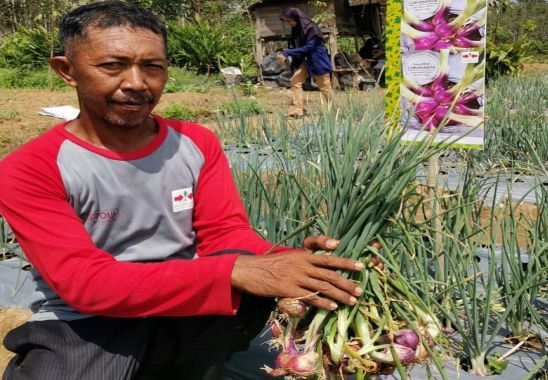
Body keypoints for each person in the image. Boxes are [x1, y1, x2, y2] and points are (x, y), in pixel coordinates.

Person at [0, 2, 364, 380]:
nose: (137, 83)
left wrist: (294, 263)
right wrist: (233, 271)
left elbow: (226, 234)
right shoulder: (32, 168)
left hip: (187, 302)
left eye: (153, 67)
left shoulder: (194, 142)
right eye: (113, 66)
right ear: (67, 71)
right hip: (89, 321)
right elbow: (85, 284)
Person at [278, 7, 334, 118]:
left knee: (324, 86)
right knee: (295, 81)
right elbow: (298, 46)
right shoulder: (297, 28)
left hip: (317, 60)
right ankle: (298, 109)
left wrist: (289, 52)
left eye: (289, 21)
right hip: (305, 60)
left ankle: (331, 111)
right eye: (287, 22)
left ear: (296, 18)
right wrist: (288, 51)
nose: (288, 24)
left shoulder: (311, 28)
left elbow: (309, 47)